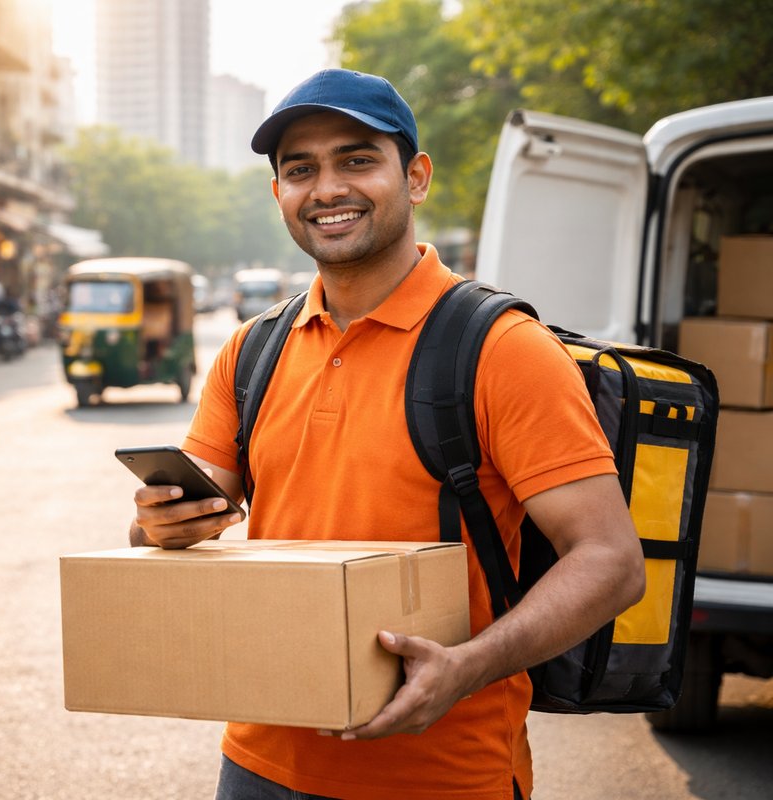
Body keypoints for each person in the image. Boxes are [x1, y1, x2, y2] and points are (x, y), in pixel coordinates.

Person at [127, 69, 646, 800]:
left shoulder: (502, 348)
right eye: (299, 170)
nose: (327, 187)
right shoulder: (251, 351)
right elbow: (171, 529)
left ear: (417, 176)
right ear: (278, 193)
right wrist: (157, 524)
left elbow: (611, 561)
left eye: (357, 159)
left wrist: (465, 667)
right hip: (258, 765)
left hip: (444, 775)